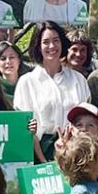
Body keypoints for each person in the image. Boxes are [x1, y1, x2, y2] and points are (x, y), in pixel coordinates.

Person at [14, 21, 90, 161]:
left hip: (75, 150)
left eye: (56, 41)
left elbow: (86, 119)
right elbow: (26, 129)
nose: (52, 46)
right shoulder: (27, 82)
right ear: (38, 46)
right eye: (46, 42)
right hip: (39, 152)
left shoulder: (78, 80)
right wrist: (43, 161)